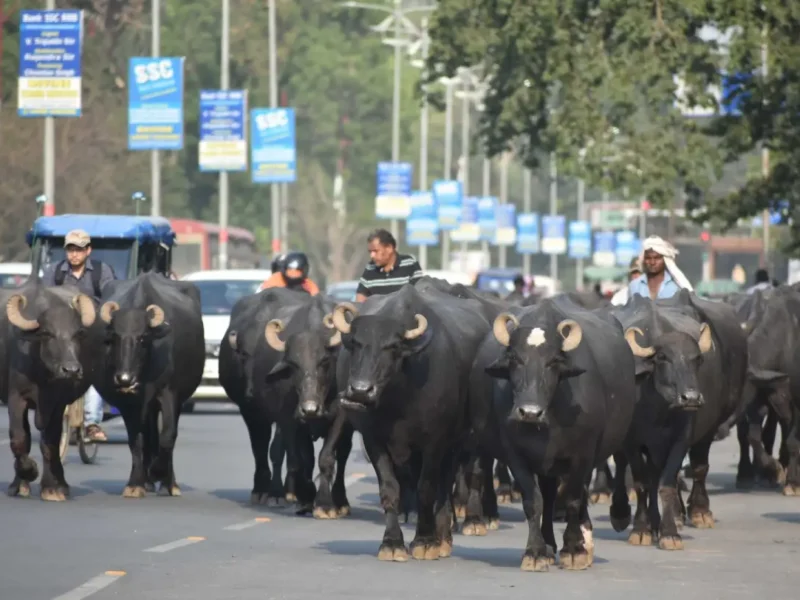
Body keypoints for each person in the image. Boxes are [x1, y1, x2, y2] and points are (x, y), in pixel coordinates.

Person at [42, 229, 116, 442]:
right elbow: (44, 300)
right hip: (61, 334)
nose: (74, 254)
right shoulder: (53, 272)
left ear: (88, 251)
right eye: (70, 250)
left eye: (79, 250)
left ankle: (92, 423)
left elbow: (108, 300)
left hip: (89, 332)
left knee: (93, 374)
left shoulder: (101, 271)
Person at [355, 229, 423, 302]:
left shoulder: (410, 263)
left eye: (375, 251)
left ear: (389, 248)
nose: (372, 255)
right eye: (370, 252)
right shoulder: (370, 268)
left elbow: (420, 294)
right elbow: (360, 299)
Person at [628, 235, 693, 301]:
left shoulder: (676, 286)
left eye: (657, 258)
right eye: (648, 258)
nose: (652, 262)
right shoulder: (634, 286)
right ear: (644, 260)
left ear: (665, 260)